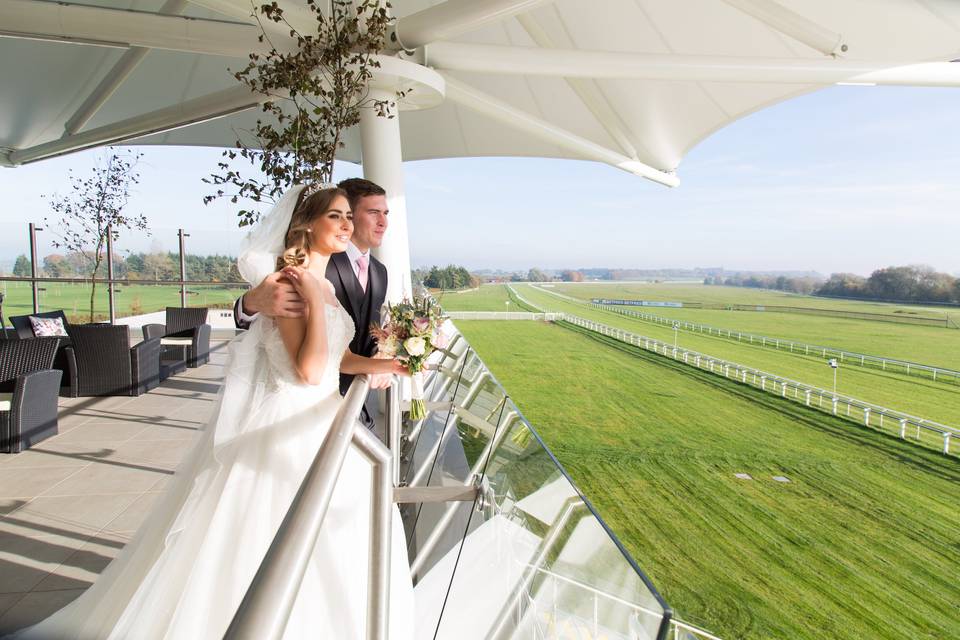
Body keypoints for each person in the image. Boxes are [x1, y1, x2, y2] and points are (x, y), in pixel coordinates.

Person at [11, 185, 415, 639]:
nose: (347, 225)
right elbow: (306, 369)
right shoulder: (296, 281)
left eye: (349, 217)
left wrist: (390, 363)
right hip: (288, 418)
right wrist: (308, 308)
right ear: (308, 224)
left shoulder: (330, 279)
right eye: (339, 217)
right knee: (265, 531)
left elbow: (338, 357)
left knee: (334, 533)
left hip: (325, 414)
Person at [236, 178, 392, 428]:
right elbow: (309, 367)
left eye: (385, 213)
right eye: (373, 212)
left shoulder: (379, 272)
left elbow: (354, 342)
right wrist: (250, 303)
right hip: (298, 411)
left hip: (346, 405)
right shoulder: (306, 268)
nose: (383, 221)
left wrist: (392, 359)